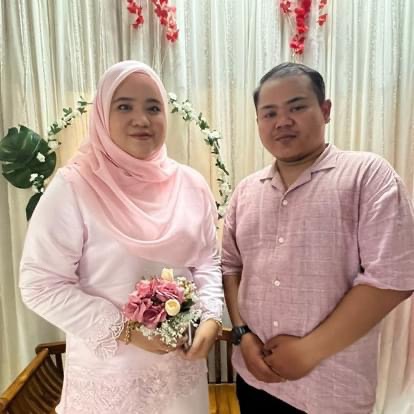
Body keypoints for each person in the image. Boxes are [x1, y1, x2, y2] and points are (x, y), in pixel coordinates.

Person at [19, 60, 223, 414]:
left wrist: (211, 316)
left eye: (153, 108)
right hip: (110, 382)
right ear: (102, 114)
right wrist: (125, 330)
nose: (141, 119)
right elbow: (40, 285)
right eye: (124, 106)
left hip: (181, 374)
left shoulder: (191, 185)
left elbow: (206, 261)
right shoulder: (73, 187)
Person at [222, 62, 414, 414]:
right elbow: (231, 266)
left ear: (325, 110)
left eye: (296, 107)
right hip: (253, 375)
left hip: (332, 388)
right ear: (258, 122)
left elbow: (394, 277)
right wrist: (242, 334)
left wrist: (309, 351)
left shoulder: (367, 175)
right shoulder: (246, 191)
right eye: (269, 113)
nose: (282, 121)